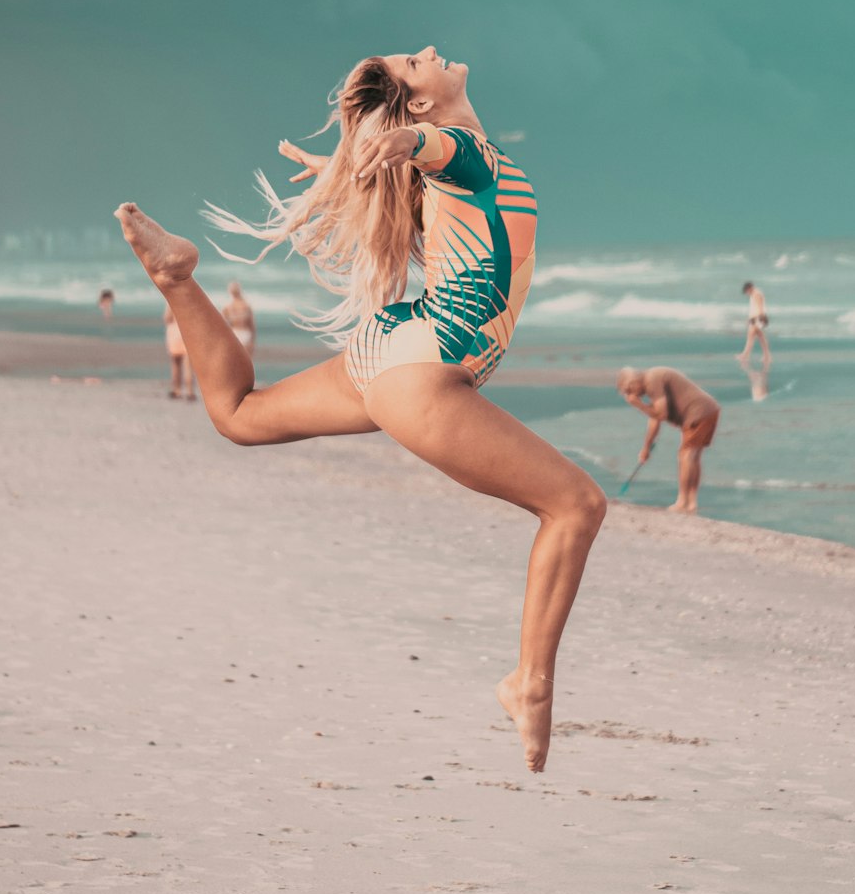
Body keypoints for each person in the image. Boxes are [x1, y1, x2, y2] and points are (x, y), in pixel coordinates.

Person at [115, 46, 606, 773]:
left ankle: (177, 281)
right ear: (418, 103)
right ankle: (529, 685)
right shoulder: (464, 150)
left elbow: (426, 166)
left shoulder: (460, 167)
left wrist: (361, 165)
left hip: (393, 345)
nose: (430, 51)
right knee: (575, 506)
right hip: (426, 362)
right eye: (415, 62)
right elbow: (433, 147)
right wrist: (398, 145)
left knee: (239, 413)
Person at [617, 366, 720, 514]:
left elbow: (661, 414)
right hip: (708, 410)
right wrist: (646, 448)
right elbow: (655, 419)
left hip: (698, 412)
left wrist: (638, 405)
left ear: (633, 382)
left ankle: (682, 502)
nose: (632, 395)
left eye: (629, 391)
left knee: (686, 456)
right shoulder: (652, 382)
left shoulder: (652, 380)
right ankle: (691, 503)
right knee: (693, 457)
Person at [164, 306, 197, 400]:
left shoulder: (170, 303)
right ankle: (190, 391)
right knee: (188, 366)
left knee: (175, 364)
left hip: (174, 332)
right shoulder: (188, 301)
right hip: (186, 332)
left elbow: (167, 318)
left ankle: (176, 389)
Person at [738, 280, 770, 369]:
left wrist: (758, 318)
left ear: (750, 288)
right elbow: (754, 307)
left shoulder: (757, 294)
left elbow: (760, 307)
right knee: (761, 337)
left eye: (747, 291)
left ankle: (745, 355)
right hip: (755, 318)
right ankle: (766, 356)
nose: (747, 293)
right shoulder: (754, 294)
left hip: (757, 318)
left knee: (752, 336)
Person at [222, 281, 257, 354]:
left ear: (230, 292)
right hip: (245, 334)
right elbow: (251, 325)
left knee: (235, 361)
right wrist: (253, 341)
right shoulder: (246, 306)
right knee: (246, 361)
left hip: (234, 333)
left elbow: (222, 325)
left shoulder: (228, 307)